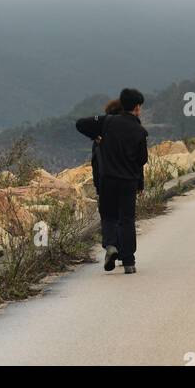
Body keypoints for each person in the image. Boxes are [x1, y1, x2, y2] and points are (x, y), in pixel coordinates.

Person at [75, 87, 149, 274]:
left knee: (108, 216)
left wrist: (97, 137)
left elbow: (80, 124)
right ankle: (129, 262)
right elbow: (142, 160)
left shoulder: (107, 122)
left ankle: (111, 246)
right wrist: (139, 182)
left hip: (107, 180)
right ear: (137, 107)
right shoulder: (140, 131)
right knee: (127, 219)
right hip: (128, 182)